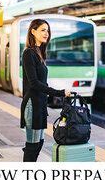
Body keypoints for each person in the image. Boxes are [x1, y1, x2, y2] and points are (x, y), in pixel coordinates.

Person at [21, 18, 71, 162]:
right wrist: (60, 93)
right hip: (32, 104)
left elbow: (41, 82)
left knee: (39, 142)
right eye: (43, 30)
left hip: (40, 104)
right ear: (33, 31)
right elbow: (34, 83)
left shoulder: (39, 52)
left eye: (47, 31)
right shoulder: (28, 53)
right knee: (32, 145)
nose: (46, 33)